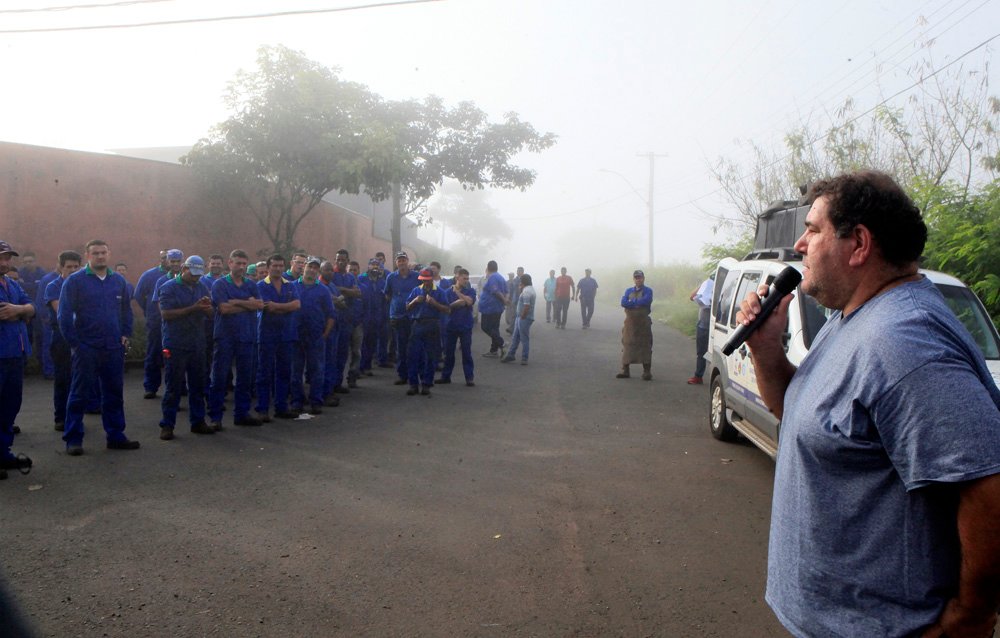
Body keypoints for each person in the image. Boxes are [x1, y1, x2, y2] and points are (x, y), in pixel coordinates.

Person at [736, 171, 1000, 638]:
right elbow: (805, 415)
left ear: (858, 244)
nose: (799, 244)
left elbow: (989, 489)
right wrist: (766, 349)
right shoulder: (852, 319)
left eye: (813, 229)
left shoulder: (903, 341)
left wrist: (970, 617)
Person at [58, 239, 138, 455]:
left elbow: (126, 311)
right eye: (95, 253)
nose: (100, 256)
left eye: (103, 252)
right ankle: (73, 439)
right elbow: (64, 316)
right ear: (87, 255)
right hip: (87, 348)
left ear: (109, 254)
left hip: (113, 348)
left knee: (114, 393)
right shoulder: (75, 281)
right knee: (79, 395)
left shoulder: (118, 281)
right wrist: (76, 344)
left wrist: (125, 334)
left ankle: (116, 436)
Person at [157, 255, 215, 440]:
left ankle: (198, 421)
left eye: (199, 274)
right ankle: (167, 425)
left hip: (197, 342)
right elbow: (166, 314)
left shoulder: (202, 287)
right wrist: (194, 308)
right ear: (184, 269)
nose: (196, 277)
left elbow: (211, 314)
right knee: (173, 386)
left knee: (198, 385)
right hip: (176, 342)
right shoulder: (168, 287)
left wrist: (207, 309)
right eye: (193, 274)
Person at [208, 249, 264, 429]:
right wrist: (248, 303)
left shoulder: (251, 284)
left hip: (246, 336)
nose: (241, 267)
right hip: (225, 337)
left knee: (245, 378)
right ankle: (215, 417)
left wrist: (235, 301)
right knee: (219, 377)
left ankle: (242, 414)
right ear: (230, 263)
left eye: (244, 264)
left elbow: (259, 305)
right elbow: (224, 309)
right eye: (238, 263)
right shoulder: (220, 284)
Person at [0, 240, 35, 478]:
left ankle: (3, 452)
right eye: (1, 258)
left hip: (15, 354)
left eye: (7, 258)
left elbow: (32, 307)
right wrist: (21, 311)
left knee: (10, 405)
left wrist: (18, 310)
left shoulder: (12, 284)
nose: (5, 262)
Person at [255, 254, 300, 423]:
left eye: (281, 265)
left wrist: (277, 306)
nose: (278, 268)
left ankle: (281, 407)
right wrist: (286, 307)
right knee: (264, 373)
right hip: (267, 334)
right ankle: (262, 409)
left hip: (286, 335)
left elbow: (297, 304)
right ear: (268, 267)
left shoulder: (290, 285)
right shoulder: (261, 286)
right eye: (274, 265)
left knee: (284, 372)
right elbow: (268, 307)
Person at [44, 250, 82, 432]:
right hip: (61, 337)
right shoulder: (53, 286)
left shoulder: (83, 285)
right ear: (60, 267)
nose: (73, 270)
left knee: (80, 379)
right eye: (69, 267)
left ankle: (76, 417)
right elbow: (62, 312)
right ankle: (61, 417)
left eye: (76, 267)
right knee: (63, 379)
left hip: (82, 337)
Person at [291, 256, 334, 416]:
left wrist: (325, 334)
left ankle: (316, 401)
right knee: (295, 371)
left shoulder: (323, 290)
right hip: (295, 336)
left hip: (315, 336)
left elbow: (331, 315)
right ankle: (297, 401)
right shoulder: (292, 287)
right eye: (310, 266)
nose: (312, 270)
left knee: (317, 370)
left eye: (316, 268)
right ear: (304, 267)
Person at [143, 249, 184, 399]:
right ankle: (151, 387)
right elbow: (140, 296)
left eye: (178, 261)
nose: (175, 264)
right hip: (158, 322)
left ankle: (180, 387)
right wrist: (150, 313)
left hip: (182, 325)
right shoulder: (158, 279)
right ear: (167, 261)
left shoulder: (188, 278)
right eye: (172, 261)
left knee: (179, 357)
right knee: (154, 354)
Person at [404, 267, 450, 396]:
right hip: (417, 324)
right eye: (423, 280)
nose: (426, 282)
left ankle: (426, 384)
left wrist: (435, 304)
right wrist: (414, 301)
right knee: (413, 355)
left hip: (432, 324)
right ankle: (413, 384)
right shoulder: (416, 290)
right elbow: (407, 307)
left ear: (432, 278)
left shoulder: (439, 292)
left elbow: (447, 309)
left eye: (428, 280)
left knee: (430, 356)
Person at [384, 252, 421, 384]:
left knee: (414, 347)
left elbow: (423, 291)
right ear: (396, 263)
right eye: (399, 260)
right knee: (401, 347)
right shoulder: (391, 277)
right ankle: (402, 375)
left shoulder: (416, 276)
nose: (401, 263)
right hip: (398, 317)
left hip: (414, 316)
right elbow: (387, 295)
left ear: (407, 261)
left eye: (403, 260)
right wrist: (396, 305)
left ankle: (414, 375)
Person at [438, 267, 477, 386]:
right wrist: (456, 304)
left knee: (466, 353)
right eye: (464, 278)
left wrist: (458, 293)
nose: (466, 281)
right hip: (451, 326)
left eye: (467, 279)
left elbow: (469, 302)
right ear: (457, 277)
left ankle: (469, 378)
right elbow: (446, 309)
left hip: (465, 326)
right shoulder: (447, 292)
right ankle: (446, 376)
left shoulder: (470, 290)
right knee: (449, 353)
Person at [617, 270, 653, 380]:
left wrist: (631, 303)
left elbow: (646, 301)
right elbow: (623, 302)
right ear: (633, 279)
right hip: (630, 324)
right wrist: (636, 303)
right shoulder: (628, 291)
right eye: (636, 277)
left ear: (643, 278)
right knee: (627, 345)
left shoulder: (648, 291)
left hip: (643, 324)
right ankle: (625, 370)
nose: (638, 279)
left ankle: (647, 372)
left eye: (640, 277)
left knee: (645, 346)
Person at [502, 273, 535, 365]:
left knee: (524, 338)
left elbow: (527, 306)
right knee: (515, 337)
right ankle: (511, 355)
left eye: (521, 281)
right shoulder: (529, 289)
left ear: (523, 281)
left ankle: (524, 358)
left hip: (524, 318)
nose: (519, 282)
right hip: (521, 317)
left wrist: (523, 316)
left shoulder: (526, 291)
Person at [687, 274, 714, 385]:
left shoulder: (718, 289)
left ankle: (700, 376)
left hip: (709, 326)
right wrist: (703, 285)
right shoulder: (708, 287)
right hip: (704, 325)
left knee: (706, 352)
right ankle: (698, 376)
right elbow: (692, 296)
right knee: (703, 352)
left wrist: (704, 284)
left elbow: (692, 296)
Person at [478, 260, 508, 357]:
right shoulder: (501, 277)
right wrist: (505, 300)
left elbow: (495, 291)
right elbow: (506, 291)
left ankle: (501, 343)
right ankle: (494, 350)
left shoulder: (493, 277)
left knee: (485, 327)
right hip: (497, 307)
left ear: (488, 268)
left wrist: (504, 300)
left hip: (490, 307)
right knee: (494, 328)